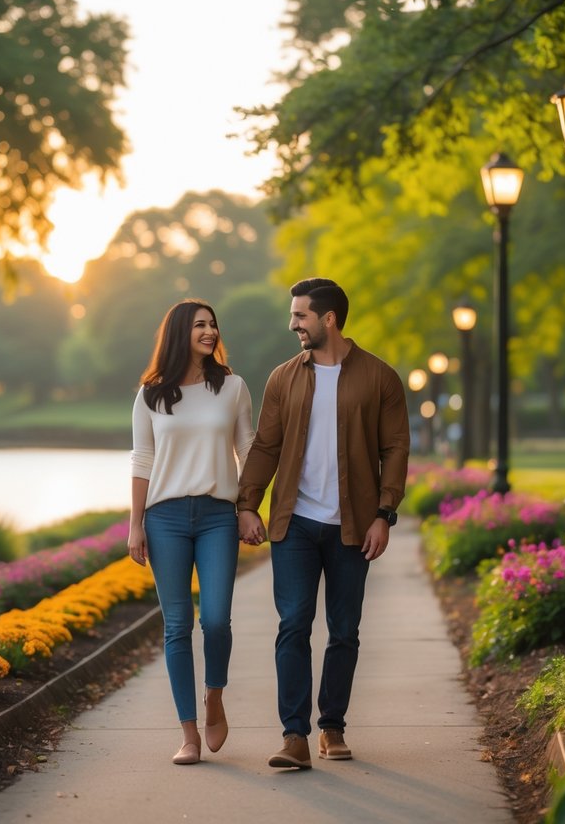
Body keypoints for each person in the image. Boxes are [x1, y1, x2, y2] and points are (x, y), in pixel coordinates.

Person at [237, 277, 410, 770]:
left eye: (300, 316)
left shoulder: (380, 378)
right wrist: (248, 503)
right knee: (292, 625)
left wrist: (384, 514)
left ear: (328, 319)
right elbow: (265, 445)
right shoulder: (282, 378)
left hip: (352, 528)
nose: (292, 324)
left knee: (344, 630)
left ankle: (331, 727)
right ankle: (293, 735)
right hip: (294, 525)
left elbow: (395, 448)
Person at [128, 298, 255, 765]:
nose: (209, 331)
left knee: (216, 619)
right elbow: (142, 461)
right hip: (164, 520)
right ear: (180, 332)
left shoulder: (234, 387)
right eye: (200, 324)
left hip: (218, 516)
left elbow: (249, 450)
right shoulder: (150, 394)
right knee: (177, 626)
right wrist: (134, 525)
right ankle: (188, 734)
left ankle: (214, 697)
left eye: (213, 324)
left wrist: (248, 508)